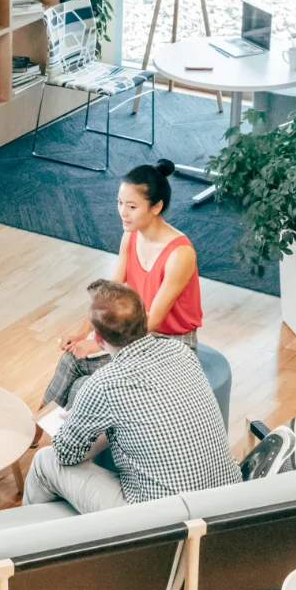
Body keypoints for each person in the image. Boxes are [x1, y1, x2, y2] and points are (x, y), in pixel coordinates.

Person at [24, 279, 239, 515]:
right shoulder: (182, 352)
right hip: (225, 503)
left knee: (45, 462)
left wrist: (81, 422)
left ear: (98, 339)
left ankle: (26, 543)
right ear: (145, 319)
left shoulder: (104, 385)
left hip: (161, 521)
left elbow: (66, 454)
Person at [42, 159, 203, 415]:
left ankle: (53, 438)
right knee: (71, 359)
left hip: (170, 343)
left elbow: (152, 321)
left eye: (131, 206)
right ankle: (34, 429)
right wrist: (83, 333)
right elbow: (108, 294)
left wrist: (100, 343)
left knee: (85, 386)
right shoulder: (131, 235)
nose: (122, 213)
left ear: (156, 206)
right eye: (119, 203)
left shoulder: (180, 254)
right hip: (133, 332)